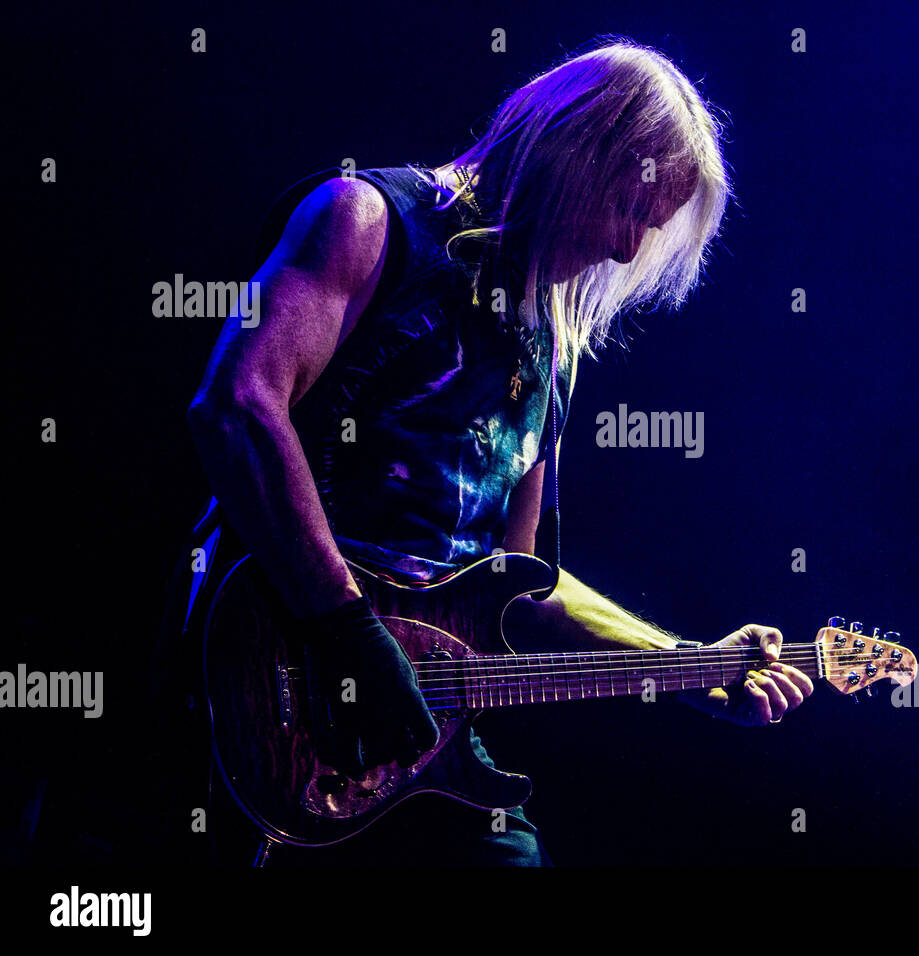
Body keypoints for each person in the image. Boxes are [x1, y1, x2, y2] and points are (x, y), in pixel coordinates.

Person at [169, 38, 813, 866]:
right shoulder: (368, 220)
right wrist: (346, 627)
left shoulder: (552, 346)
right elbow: (237, 408)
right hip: (271, 687)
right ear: (580, 149)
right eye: (626, 210)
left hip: (421, 748)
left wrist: (687, 666)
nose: (625, 252)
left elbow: (521, 585)